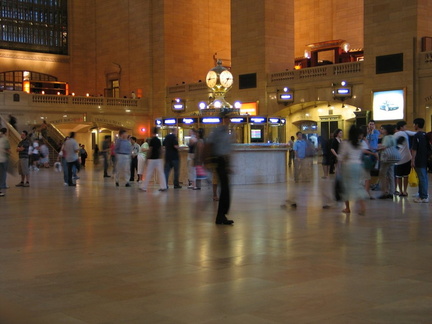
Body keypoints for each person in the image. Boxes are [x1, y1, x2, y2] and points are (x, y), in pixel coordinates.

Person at [207, 115, 234, 224]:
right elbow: (209, 144)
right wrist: (208, 161)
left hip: (223, 161)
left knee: (225, 189)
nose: (229, 121)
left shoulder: (227, 132)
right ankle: (221, 216)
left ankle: (221, 216)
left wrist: (229, 164)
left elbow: (227, 150)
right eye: (227, 118)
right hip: (218, 161)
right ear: (223, 119)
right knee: (225, 189)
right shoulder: (218, 131)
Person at [338, 125, 368, 214]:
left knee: (345, 187)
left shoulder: (345, 143)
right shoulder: (360, 143)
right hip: (358, 166)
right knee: (358, 186)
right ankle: (362, 207)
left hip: (348, 166)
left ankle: (347, 208)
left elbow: (341, 157)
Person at [139, 127, 167, 192]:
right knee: (161, 172)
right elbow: (160, 149)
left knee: (148, 173)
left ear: (152, 132)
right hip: (158, 159)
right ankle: (163, 186)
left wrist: (147, 157)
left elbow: (150, 149)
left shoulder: (151, 140)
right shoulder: (158, 140)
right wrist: (161, 157)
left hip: (152, 159)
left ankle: (144, 187)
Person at [394, 121, 415, 197]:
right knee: (406, 176)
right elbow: (415, 134)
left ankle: (400, 191)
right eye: (405, 126)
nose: (406, 128)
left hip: (398, 160)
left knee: (398, 177)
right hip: (407, 158)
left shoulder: (394, 135)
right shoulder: (406, 133)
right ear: (401, 127)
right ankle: (405, 191)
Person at [376, 124, 397, 199]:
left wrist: (377, 148)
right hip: (392, 158)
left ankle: (384, 192)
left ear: (386, 130)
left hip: (386, 158)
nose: (381, 130)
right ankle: (392, 192)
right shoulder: (393, 137)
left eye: (382, 129)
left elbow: (384, 146)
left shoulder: (386, 137)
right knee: (391, 175)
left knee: (382, 174)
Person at [411, 118, 429, 203]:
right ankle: (422, 194)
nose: (413, 126)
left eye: (414, 124)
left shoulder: (417, 135)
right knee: (424, 177)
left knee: (422, 178)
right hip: (425, 159)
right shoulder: (425, 135)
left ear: (417, 125)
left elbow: (414, 149)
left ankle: (424, 197)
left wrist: (412, 160)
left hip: (419, 159)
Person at [0, 128, 10, 195]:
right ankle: (2, 185)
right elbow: (7, 149)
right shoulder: (5, 139)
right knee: (3, 173)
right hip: (3, 159)